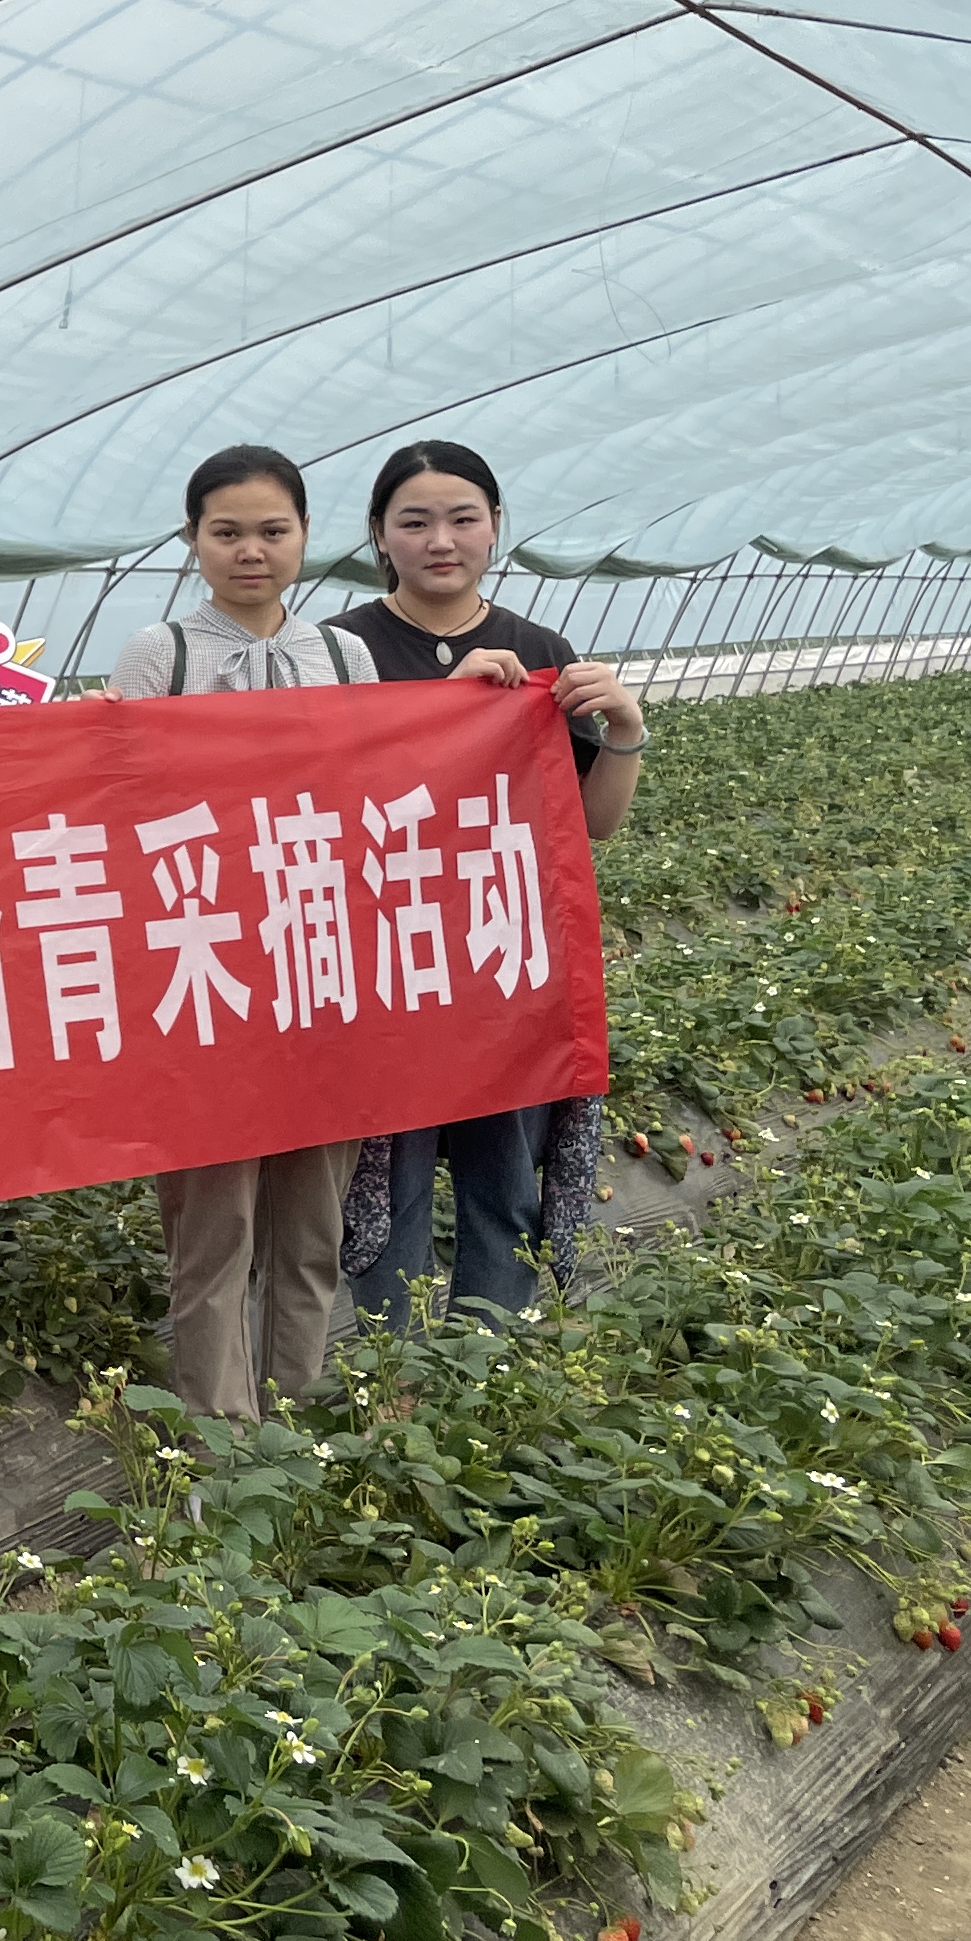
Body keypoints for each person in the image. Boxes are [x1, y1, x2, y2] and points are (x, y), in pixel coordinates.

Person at [327, 439, 652, 1329]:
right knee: (386, 1172)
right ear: (379, 534)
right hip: (388, 957)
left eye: (463, 518)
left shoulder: (539, 649)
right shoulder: (341, 652)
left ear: (496, 525)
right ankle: (393, 1364)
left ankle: (489, 1357)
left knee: (503, 1167)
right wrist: (440, 708)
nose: (441, 540)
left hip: (503, 950)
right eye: (415, 521)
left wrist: (624, 731)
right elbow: (320, 804)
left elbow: (591, 823)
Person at [101, 443, 382, 1425]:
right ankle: (219, 1447)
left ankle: (295, 1424)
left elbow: (378, 792)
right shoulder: (160, 655)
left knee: (312, 1223)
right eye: (226, 532)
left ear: (305, 536)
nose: (250, 551)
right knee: (213, 1227)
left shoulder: (344, 658)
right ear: (193, 541)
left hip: (319, 965)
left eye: (272, 530)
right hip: (206, 970)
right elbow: (118, 804)